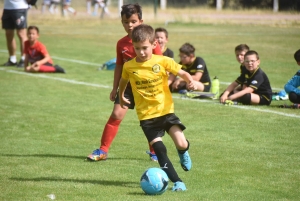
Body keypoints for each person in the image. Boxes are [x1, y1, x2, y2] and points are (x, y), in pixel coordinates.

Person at [119, 24, 194, 192]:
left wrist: (190, 81)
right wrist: (121, 94)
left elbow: (182, 72)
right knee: (159, 149)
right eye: (137, 48)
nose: (141, 52)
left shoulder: (163, 61)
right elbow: (123, 80)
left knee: (182, 143)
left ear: (154, 45)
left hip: (166, 112)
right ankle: (178, 182)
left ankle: (183, 153)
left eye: (145, 48)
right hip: (146, 117)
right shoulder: (129, 66)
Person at [87, 3, 162, 162]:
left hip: (147, 88)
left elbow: (161, 63)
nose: (129, 25)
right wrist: (115, 87)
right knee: (116, 114)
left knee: (149, 119)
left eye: (133, 21)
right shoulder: (121, 44)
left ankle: (154, 152)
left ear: (140, 21)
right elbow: (119, 66)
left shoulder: (150, 41)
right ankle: (103, 150)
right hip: (126, 86)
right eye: (126, 22)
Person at [1, 0, 28, 68]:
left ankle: (24, 58)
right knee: (8, 33)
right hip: (7, 8)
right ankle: (12, 59)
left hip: (19, 7)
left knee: (21, 34)